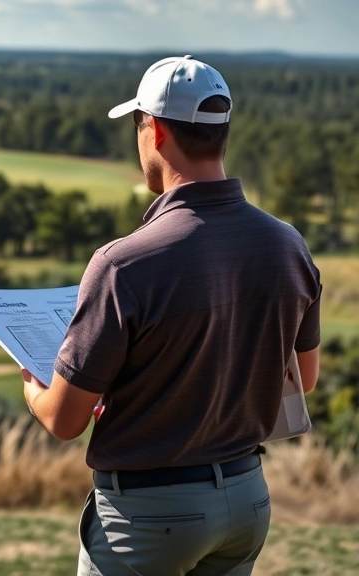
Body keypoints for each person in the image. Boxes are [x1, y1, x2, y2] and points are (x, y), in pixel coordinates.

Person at [21, 56, 322, 575]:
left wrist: (32, 384)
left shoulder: (123, 263)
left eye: (137, 126)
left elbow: (65, 420)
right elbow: (305, 379)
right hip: (247, 499)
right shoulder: (288, 244)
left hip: (148, 515)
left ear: (154, 130)